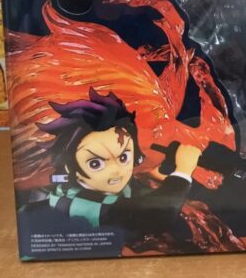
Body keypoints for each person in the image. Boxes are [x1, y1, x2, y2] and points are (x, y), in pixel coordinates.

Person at [21, 88, 201, 238]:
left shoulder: (102, 185)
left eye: (123, 158)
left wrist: (148, 175)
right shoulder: (75, 203)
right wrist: (182, 172)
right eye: (95, 164)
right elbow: (154, 218)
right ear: (70, 166)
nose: (117, 171)